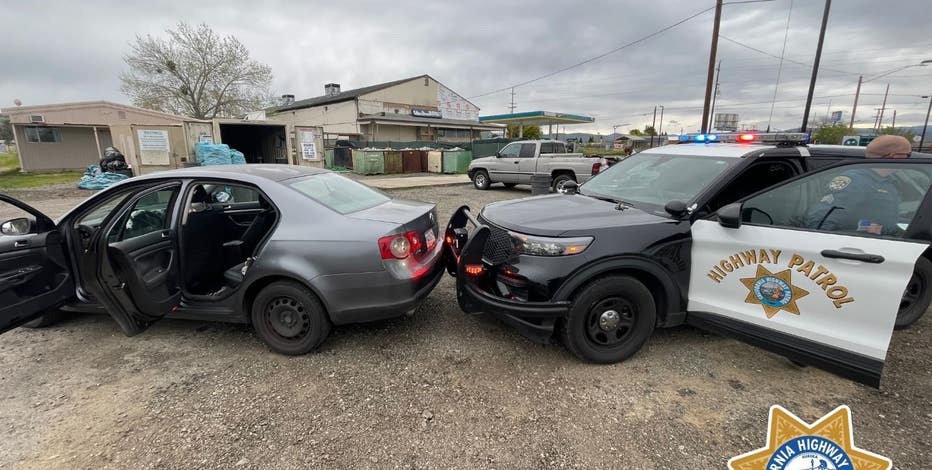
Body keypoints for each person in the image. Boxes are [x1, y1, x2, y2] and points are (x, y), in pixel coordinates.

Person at [806, 134, 912, 235]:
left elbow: (883, 217)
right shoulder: (856, 182)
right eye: (908, 155)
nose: (909, 159)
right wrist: (861, 231)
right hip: (859, 246)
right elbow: (821, 222)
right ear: (895, 156)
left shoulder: (888, 181)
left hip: (885, 241)